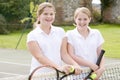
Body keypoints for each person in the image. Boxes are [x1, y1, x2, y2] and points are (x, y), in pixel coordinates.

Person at [27, 2, 81, 75]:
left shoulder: (60, 31)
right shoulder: (32, 35)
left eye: (51, 14)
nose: (49, 16)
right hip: (39, 76)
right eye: (45, 14)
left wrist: (75, 64)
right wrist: (58, 68)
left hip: (56, 75)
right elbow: (39, 57)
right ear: (39, 16)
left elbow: (64, 54)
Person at [66, 7, 105, 79]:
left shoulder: (96, 33)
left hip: (93, 73)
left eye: (85, 19)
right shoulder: (69, 34)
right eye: (79, 19)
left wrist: (102, 68)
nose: (82, 22)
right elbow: (71, 55)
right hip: (77, 75)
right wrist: (90, 65)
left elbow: (100, 53)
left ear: (89, 19)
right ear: (75, 19)